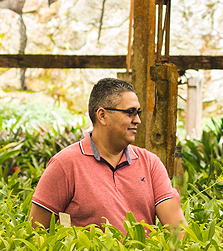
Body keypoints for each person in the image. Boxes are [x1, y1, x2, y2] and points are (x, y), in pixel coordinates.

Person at [30, 78, 185, 234]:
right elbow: (36, 234)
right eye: (130, 112)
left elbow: (178, 229)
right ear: (102, 116)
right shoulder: (65, 164)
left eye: (138, 113)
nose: (137, 120)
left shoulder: (150, 163)